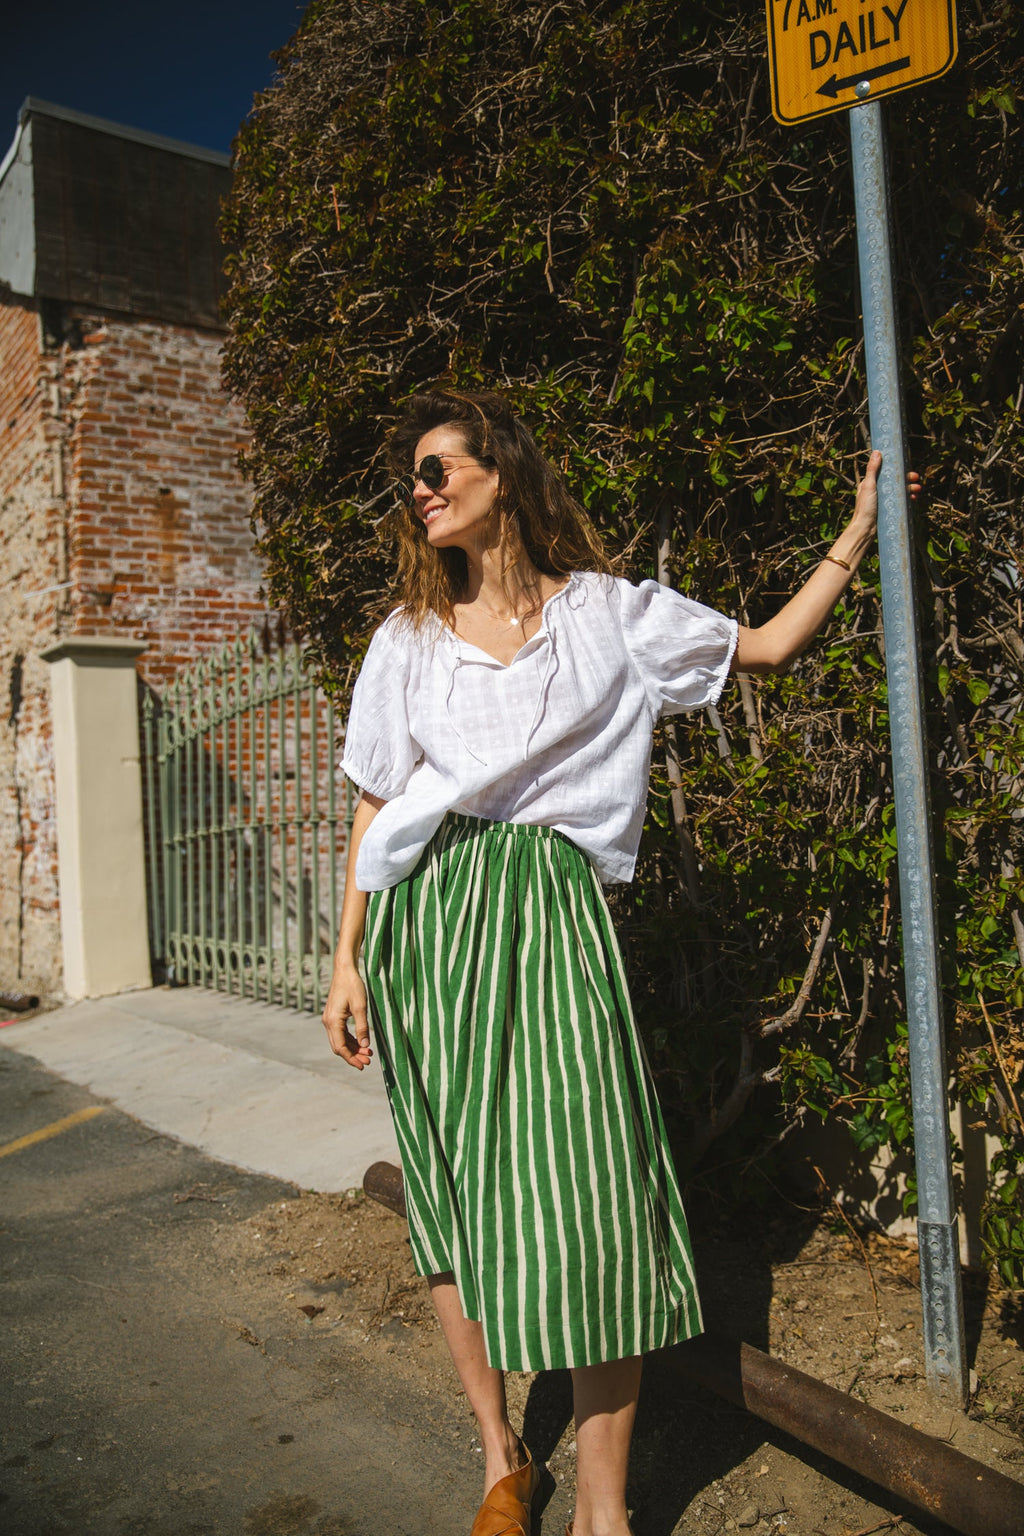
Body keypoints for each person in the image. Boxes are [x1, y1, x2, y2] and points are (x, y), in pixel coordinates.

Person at [322, 390, 918, 1536]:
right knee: (450, 1192)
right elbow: (375, 798)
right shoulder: (404, 638)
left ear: (503, 472)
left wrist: (857, 534)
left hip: (549, 916)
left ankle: (606, 1515)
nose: (422, 488)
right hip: (426, 920)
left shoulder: (609, 614)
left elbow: (767, 647)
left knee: (591, 1196)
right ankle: (502, 1456)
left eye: (441, 466)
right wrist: (346, 957)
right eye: (414, 478)